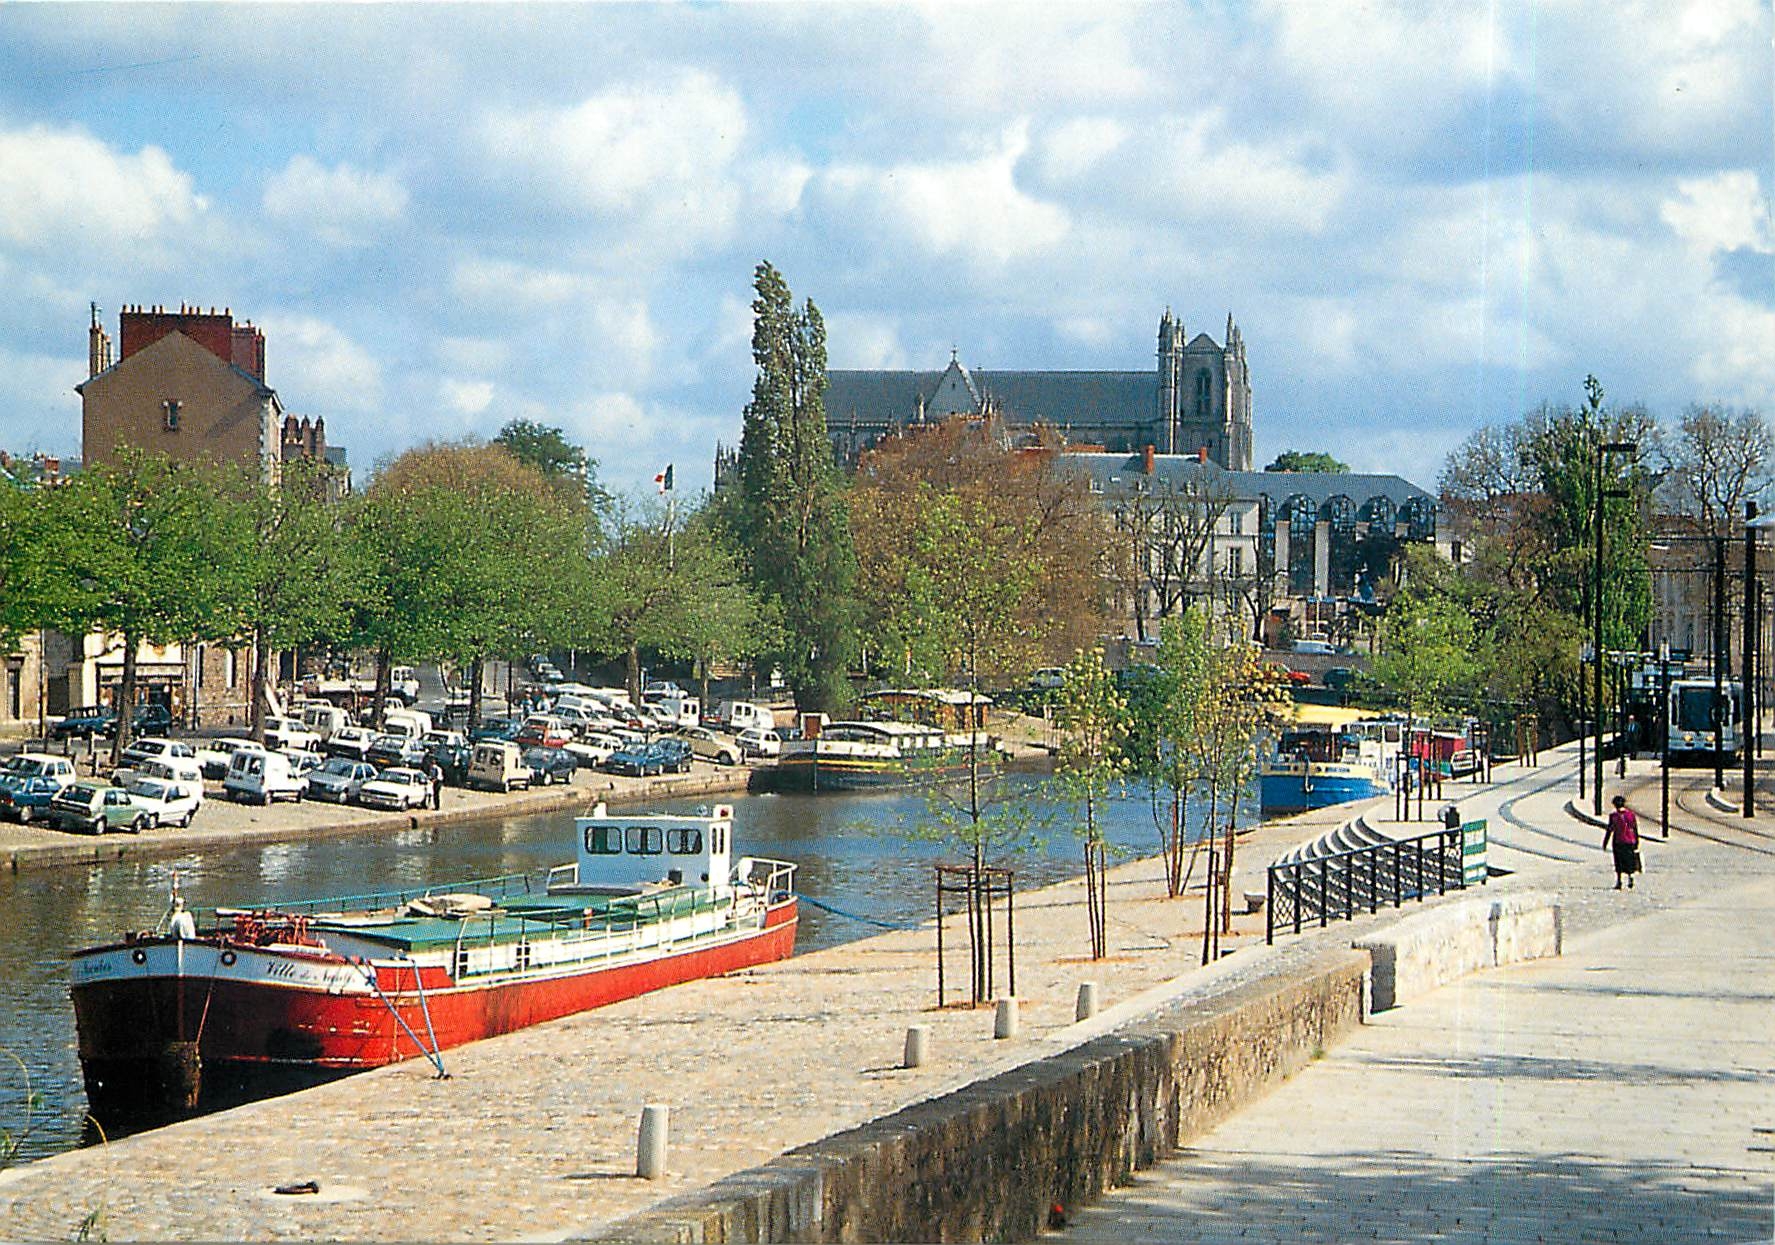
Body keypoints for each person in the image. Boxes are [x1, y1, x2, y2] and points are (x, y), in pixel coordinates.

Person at [1603, 794, 1641, 889]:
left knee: (1619, 861)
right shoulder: (1631, 815)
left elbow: (1610, 829)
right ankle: (1631, 877)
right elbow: (1635, 828)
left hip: (1618, 841)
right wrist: (1636, 841)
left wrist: (1605, 842)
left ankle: (1619, 881)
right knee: (1629, 860)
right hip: (1629, 841)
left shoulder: (1613, 816)